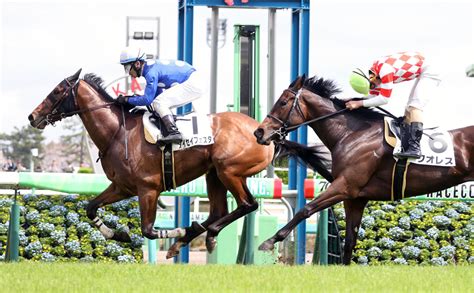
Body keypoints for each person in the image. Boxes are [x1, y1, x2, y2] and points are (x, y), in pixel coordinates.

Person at [347, 52, 441, 159]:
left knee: (415, 107)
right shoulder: (374, 73)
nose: (374, 87)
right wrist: (352, 100)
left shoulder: (384, 70)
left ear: (370, 78)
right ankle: (407, 146)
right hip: (423, 70)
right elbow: (371, 98)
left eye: (372, 85)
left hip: (430, 70)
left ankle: (415, 148)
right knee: (408, 110)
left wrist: (359, 103)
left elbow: (384, 99)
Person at [116, 47, 205, 144]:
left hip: (193, 82)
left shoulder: (150, 73)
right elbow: (157, 94)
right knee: (159, 105)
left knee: (159, 103)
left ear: (137, 64)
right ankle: (171, 128)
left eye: (128, 68)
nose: (128, 73)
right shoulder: (150, 69)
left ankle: (174, 132)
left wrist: (127, 100)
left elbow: (147, 100)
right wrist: (133, 99)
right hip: (195, 81)